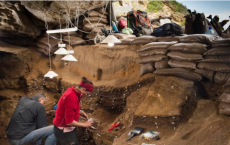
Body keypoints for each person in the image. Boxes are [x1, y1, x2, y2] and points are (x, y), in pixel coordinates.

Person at [53, 77, 94, 145]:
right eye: (87, 93)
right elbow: (69, 122)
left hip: (67, 128)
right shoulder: (71, 97)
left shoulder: (73, 92)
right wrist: (85, 124)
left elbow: (68, 108)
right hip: (64, 130)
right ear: (83, 89)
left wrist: (79, 111)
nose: (87, 95)